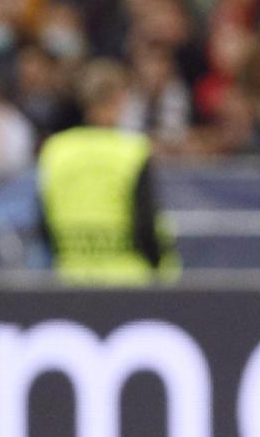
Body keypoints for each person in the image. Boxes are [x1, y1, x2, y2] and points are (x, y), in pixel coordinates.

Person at [37, 59, 179, 285]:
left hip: (72, 280)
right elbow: (145, 224)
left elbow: (43, 222)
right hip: (127, 282)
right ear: (119, 99)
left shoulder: (56, 150)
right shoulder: (133, 151)